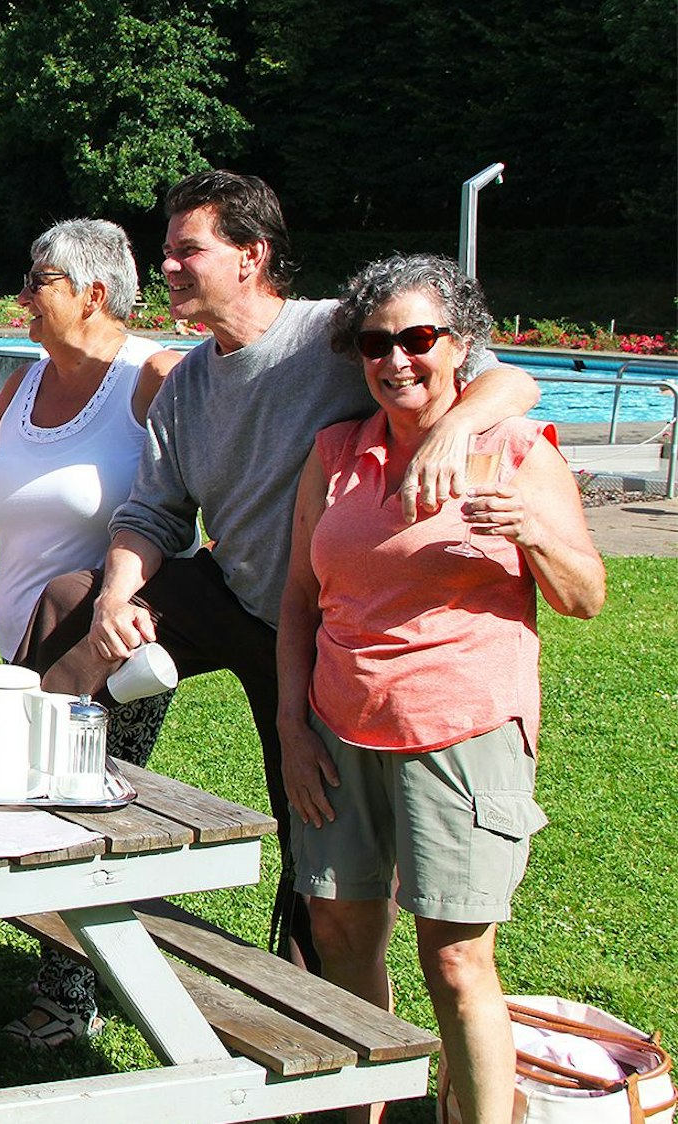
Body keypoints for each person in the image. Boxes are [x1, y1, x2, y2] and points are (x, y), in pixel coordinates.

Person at [18, 170, 540, 967]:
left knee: (311, 818)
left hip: (320, 624)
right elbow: (152, 512)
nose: (165, 267)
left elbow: (511, 377)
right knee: (70, 598)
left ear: (250, 255)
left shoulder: (336, 333)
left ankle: (315, 1011)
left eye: (186, 249)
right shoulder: (188, 380)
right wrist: (118, 595)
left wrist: (452, 428)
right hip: (227, 589)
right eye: (165, 252)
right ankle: (19, 791)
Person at [279, 255, 603, 1124]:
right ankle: (362, 1110)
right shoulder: (336, 452)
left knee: (455, 959)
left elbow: (585, 596)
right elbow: (298, 603)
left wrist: (531, 530)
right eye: (377, 343)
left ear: (458, 345)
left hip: (458, 732)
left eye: (418, 339)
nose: (396, 360)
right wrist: (292, 726)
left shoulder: (512, 449)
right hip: (337, 729)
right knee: (342, 934)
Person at [0, 218, 182, 1046]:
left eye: (38, 280)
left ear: (93, 293)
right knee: (16, 797)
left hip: (106, 645)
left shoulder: (152, 378)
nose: (22, 296)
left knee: (87, 816)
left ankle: (71, 996)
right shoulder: (26, 384)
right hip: (21, 645)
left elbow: (208, 496)